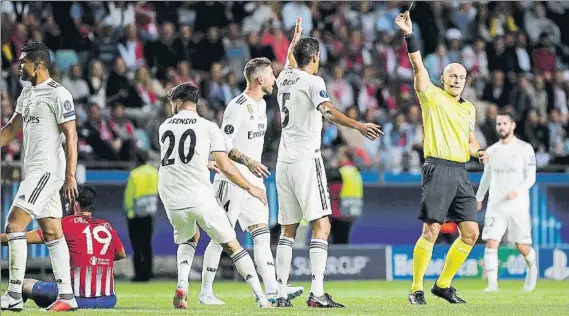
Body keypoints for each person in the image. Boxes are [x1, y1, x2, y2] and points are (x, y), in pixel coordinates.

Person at [273, 17, 381, 308]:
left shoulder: (284, 78)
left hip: (283, 162)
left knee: (288, 229)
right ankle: (317, 292)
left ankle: (281, 293)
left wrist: (294, 40)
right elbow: (328, 112)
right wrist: (357, 126)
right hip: (307, 161)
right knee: (321, 225)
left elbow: (289, 62)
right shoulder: (313, 80)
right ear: (316, 57)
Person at [395, 11, 489, 305]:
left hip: (461, 171)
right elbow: (417, 66)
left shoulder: (469, 109)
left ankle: (443, 284)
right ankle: (416, 288)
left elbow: (469, 141)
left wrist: (479, 151)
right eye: (452, 75)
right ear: (443, 78)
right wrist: (410, 35)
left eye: (462, 76)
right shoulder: (431, 96)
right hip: (437, 168)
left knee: (471, 233)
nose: (457, 80)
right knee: (432, 230)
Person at [158, 82, 272, 309]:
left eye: (172, 102)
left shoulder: (164, 126)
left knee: (189, 238)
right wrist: (250, 187)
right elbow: (227, 167)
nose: (171, 106)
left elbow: (181, 157)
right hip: (198, 195)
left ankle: (182, 284)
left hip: (170, 196)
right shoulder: (208, 127)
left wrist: (205, 162)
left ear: (179, 102)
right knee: (233, 245)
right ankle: (262, 299)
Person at [199, 57, 303, 305]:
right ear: (260, 79)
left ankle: (273, 290)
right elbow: (223, 146)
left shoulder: (260, 107)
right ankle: (205, 292)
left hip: (253, 182)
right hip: (232, 179)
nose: (274, 79)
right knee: (221, 236)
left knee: (262, 234)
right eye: (271, 75)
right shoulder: (238, 106)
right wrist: (248, 163)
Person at [0, 40, 80, 312]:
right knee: (52, 232)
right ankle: (67, 297)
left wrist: (70, 175)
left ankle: (13, 294)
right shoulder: (27, 93)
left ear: (37, 64)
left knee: (14, 225)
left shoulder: (59, 94)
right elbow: (11, 129)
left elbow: (71, 135)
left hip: (46, 172)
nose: (18, 65)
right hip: (34, 171)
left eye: (22, 61)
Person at [0, 184, 126, 309]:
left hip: (74, 297)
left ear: (75, 205)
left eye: (68, 202)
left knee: (24, 284)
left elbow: (17, 238)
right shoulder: (106, 226)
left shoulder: (66, 224)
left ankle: (15, 303)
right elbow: (121, 254)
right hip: (108, 300)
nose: (66, 206)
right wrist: (95, 258)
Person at [476, 111, 538, 292]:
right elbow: (486, 177)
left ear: (513, 125)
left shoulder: (525, 149)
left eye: (504, 123)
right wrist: (479, 198)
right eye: (498, 124)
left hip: (518, 206)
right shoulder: (491, 151)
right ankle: (492, 285)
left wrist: (517, 191)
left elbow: (531, 177)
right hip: (496, 205)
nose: (501, 127)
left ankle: (532, 268)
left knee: (521, 245)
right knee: (491, 241)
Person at [124, 150, 158, 282]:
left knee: (137, 246)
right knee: (147, 244)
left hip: (135, 214)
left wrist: (129, 212)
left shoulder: (135, 174)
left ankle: (139, 274)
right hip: (150, 212)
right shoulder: (154, 172)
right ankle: (149, 272)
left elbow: (129, 196)